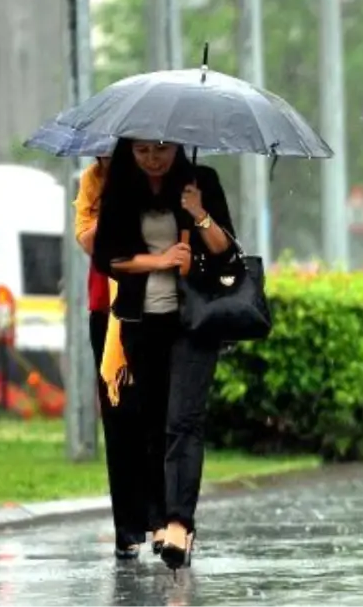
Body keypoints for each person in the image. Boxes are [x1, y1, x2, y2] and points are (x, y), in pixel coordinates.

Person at [93, 138, 235, 570]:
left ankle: (179, 524)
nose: (152, 159)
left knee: (184, 420)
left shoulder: (201, 181)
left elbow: (226, 251)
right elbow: (107, 258)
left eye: (161, 149)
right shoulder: (120, 188)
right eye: (141, 151)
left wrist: (198, 213)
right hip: (141, 323)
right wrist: (157, 262)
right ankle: (157, 519)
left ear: (178, 146)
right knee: (151, 421)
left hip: (193, 322)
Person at [74, 154, 147, 560]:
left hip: (155, 308)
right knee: (117, 419)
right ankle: (128, 529)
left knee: (154, 417)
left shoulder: (160, 177)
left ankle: (165, 520)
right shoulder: (93, 181)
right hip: (106, 311)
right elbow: (87, 241)